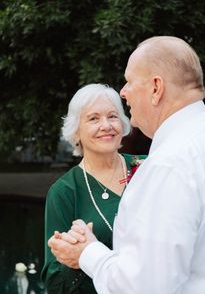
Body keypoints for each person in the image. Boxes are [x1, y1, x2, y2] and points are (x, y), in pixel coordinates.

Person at [48, 36, 205, 293]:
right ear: (76, 132)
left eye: (129, 81)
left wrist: (88, 252)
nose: (123, 91)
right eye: (93, 118)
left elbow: (143, 286)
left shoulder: (165, 166)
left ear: (156, 87)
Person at [41, 83, 147, 293]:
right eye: (93, 118)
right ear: (76, 132)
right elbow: (54, 284)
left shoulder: (149, 167)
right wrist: (77, 259)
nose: (106, 126)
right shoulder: (63, 192)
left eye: (113, 116)